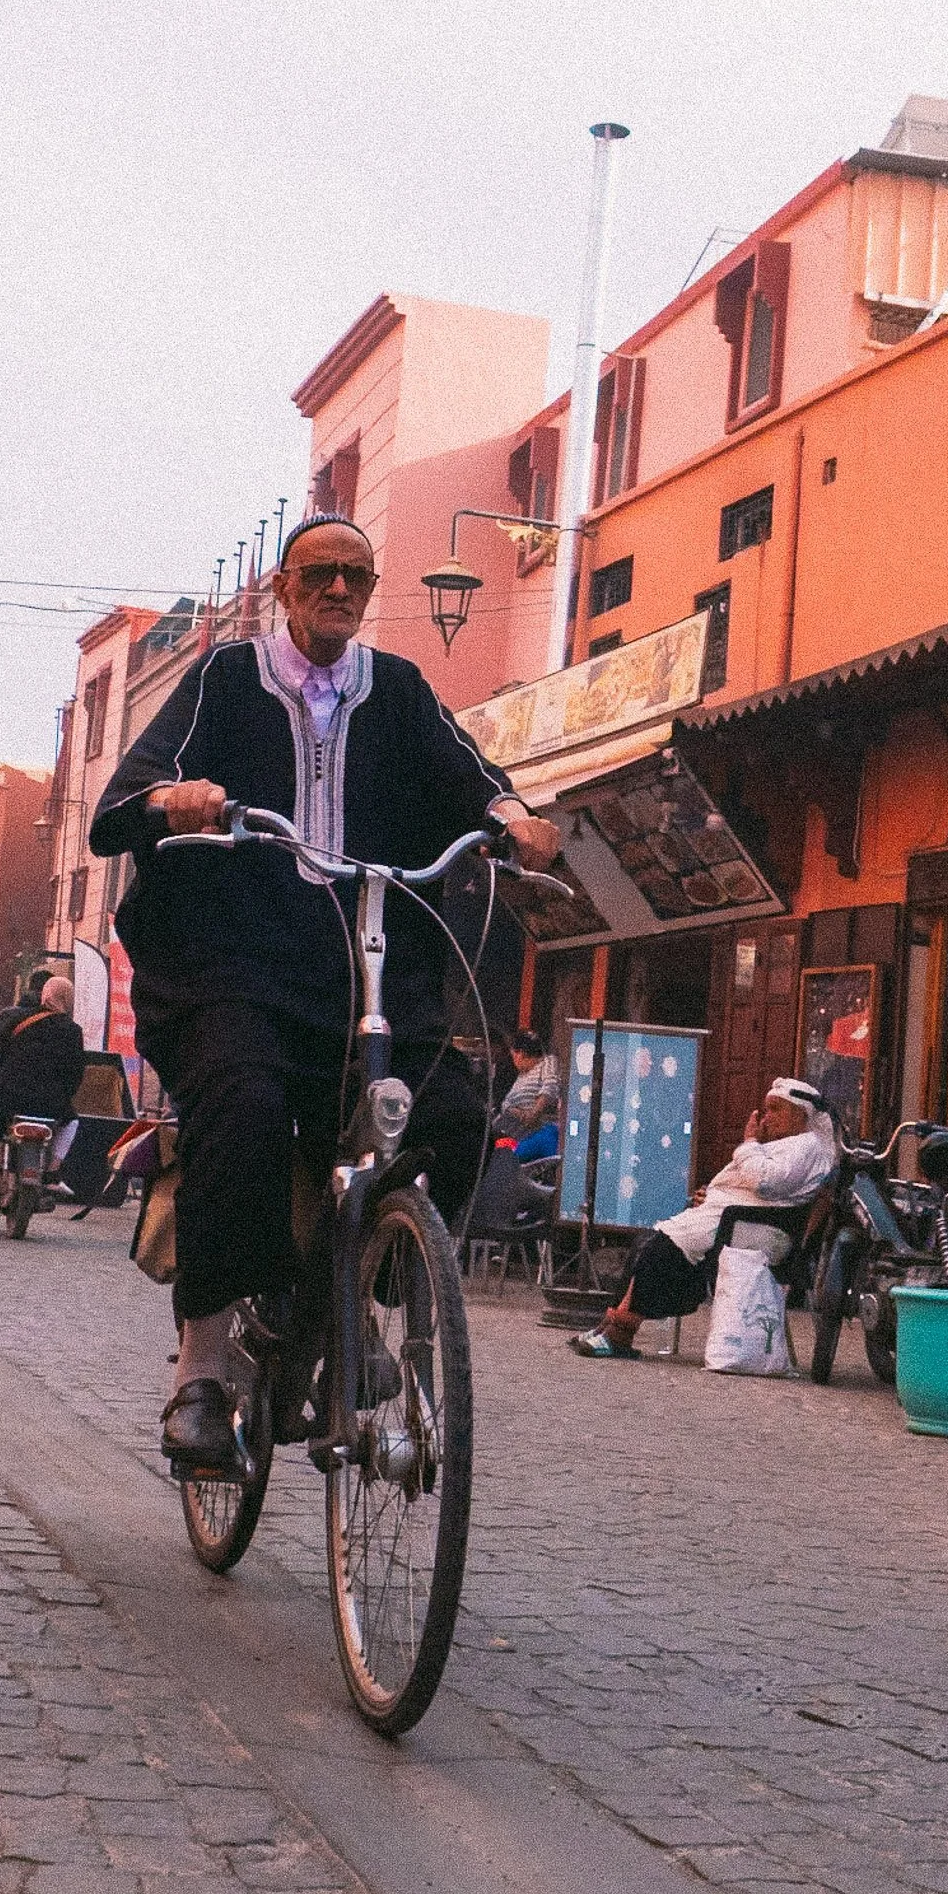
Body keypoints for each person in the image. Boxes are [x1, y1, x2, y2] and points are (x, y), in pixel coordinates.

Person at [87, 510, 558, 1471]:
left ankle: (349, 1303)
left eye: (356, 574)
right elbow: (127, 798)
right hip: (240, 964)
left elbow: (470, 775)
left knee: (453, 1119)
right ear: (284, 590)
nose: (338, 589)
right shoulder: (226, 677)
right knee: (245, 1109)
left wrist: (509, 810)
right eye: (318, 575)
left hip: (368, 965)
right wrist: (176, 800)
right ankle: (205, 1369)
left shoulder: (400, 689)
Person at [570, 1078, 838, 1358]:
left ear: (800, 1114)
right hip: (736, 1220)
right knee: (645, 1243)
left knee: (660, 1250)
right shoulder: (784, 1146)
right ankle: (611, 1324)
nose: (767, 1117)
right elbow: (751, 1184)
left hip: (754, 1229)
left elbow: (764, 1182)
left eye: (776, 1110)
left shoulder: (807, 1146)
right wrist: (712, 1194)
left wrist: (748, 1143)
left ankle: (620, 1333)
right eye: (766, 1109)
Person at [0, 975, 85, 1168]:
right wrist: (63, 1097)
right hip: (50, 1104)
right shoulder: (73, 1031)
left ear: (44, 995)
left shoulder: (15, 1018)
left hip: (5, 1098)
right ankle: (53, 1169)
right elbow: (75, 1074)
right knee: (71, 1123)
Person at [496, 1027, 561, 1139]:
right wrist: (520, 1114)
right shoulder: (521, 1076)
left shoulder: (547, 1062)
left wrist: (533, 1114)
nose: (514, 1061)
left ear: (520, 1054)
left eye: (513, 1056)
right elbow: (506, 1104)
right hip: (514, 1129)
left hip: (538, 1131)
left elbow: (550, 1087)